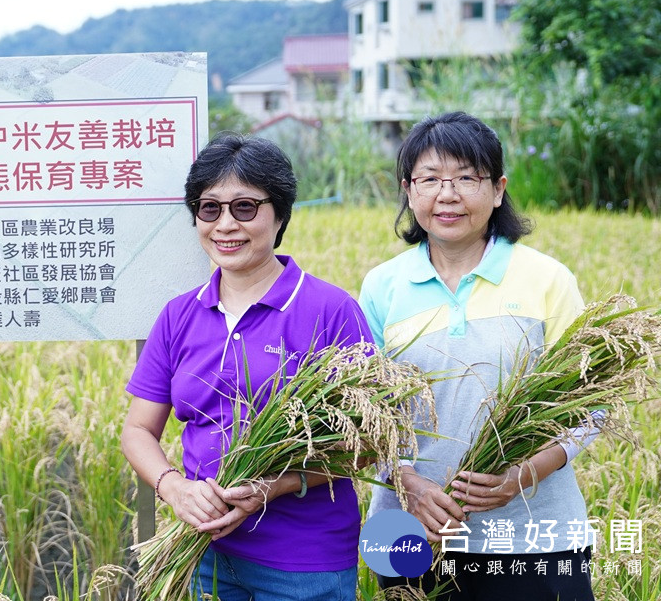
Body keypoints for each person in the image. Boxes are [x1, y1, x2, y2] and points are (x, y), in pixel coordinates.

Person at [121, 133, 370, 601]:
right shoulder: (179, 314)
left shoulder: (330, 310)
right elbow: (137, 430)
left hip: (303, 564)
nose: (225, 225)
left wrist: (271, 487)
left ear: (280, 215)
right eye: (209, 208)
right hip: (202, 553)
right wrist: (174, 488)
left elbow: (367, 443)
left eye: (245, 208)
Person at [361, 111, 596, 601]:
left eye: (467, 178)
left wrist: (521, 475)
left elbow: (590, 405)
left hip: (534, 540)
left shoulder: (547, 279)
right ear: (408, 190)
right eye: (430, 179)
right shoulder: (382, 287)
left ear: (498, 189)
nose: (447, 195)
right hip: (413, 538)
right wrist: (407, 482)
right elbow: (363, 412)